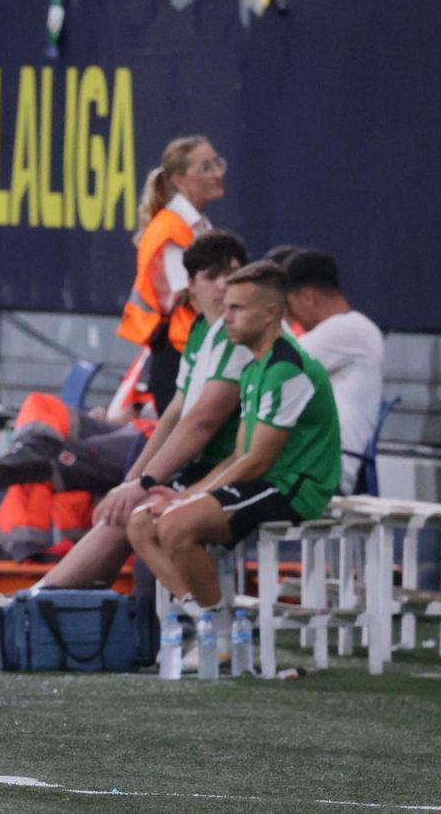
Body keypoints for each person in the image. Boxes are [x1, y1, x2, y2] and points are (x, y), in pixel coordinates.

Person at [35, 230, 251, 588]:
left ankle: (194, 620)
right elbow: (175, 416)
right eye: (213, 276)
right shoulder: (202, 332)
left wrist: (142, 483)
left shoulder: (241, 335)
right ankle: (41, 602)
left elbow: (201, 421)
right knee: (129, 509)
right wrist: (131, 482)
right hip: (208, 465)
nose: (225, 284)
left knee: (144, 514)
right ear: (191, 287)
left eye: (233, 273)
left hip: (245, 470)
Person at [127, 261, 340, 618]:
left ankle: (219, 632)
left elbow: (257, 461)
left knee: (175, 524)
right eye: (225, 307)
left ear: (271, 313)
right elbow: (239, 453)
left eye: (237, 308)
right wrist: (182, 496)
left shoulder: (286, 368)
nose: (225, 317)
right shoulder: (255, 366)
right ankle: (203, 617)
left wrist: (186, 501)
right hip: (263, 477)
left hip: (295, 486)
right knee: (140, 522)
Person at [118, 136, 225, 413]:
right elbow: (194, 297)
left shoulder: (196, 225)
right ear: (179, 180)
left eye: (217, 163)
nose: (217, 173)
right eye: (205, 167)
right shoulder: (171, 230)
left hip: (191, 349)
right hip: (179, 353)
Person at [280, 251, 384, 493]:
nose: (288, 317)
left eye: (287, 306)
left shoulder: (351, 329)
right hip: (309, 462)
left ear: (308, 298)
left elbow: (278, 366)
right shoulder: (348, 331)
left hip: (321, 470)